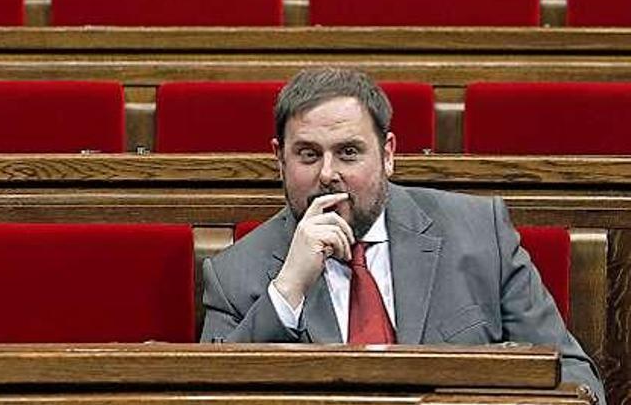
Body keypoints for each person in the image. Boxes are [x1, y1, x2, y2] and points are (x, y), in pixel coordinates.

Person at [200, 67, 605, 403]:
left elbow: (572, 376)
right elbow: (208, 395)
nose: (327, 174)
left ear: (388, 154)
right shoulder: (236, 273)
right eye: (308, 154)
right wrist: (287, 293)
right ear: (279, 160)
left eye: (348, 153)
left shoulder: (480, 234)